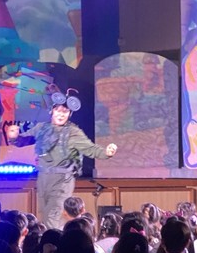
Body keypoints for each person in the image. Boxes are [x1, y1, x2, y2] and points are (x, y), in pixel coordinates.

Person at [7, 87, 117, 229]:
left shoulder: (73, 132)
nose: (61, 114)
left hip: (62, 180)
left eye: (65, 112)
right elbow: (24, 140)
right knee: (45, 215)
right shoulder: (42, 128)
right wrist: (14, 137)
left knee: (54, 215)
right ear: (52, 111)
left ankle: (55, 241)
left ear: (70, 114)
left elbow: (90, 149)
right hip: (43, 178)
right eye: (58, 110)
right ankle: (52, 239)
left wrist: (106, 153)